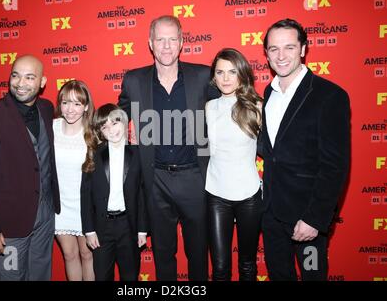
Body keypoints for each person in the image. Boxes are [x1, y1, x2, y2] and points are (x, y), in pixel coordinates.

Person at [118, 15, 220, 281]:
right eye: (160, 40)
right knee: (163, 254)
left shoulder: (202, 76)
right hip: (156, 180)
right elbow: (115, 119)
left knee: (198, 252)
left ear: (182, 42)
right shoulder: (134, 80)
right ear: (150, 43)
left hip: (194, 178)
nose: (166, 46)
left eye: (172, 39)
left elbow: (229, 108)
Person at [259, 18, 350, 281]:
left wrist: (315, 219)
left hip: (307, 218)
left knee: (313, 277)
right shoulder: (269, 93)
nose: (281, 55)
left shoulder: (329, 95)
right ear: (266, 54)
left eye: (289, 47)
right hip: (272, 215)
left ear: (303, 49)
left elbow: (335, 166)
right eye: (273, 49)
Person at [0, 55, 60, 280]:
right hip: (8, 226)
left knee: (40, 277)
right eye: (15, 75)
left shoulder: (47, 109)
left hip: (45, 217)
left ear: (42, 82)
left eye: (30, 77)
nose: (20, 83)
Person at [206, 48, 263, 281]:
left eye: (232, 72)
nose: (226, 78)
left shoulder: (257, 106)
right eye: (220, 72)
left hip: (249, 194)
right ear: (214, 77)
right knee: (220, 268)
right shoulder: (209, 108)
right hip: (216, 193)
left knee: (248, 265)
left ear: (242, 74)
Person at [80, 103, 147, 281]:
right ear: (100, 131)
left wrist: (142, 229)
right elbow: (85, 195)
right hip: (102, 228)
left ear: (124, 122)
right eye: (105, 126)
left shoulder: (137, 153)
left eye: (115, 123)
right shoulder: (94, 154)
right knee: (102, 275)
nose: (111, 129)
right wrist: (89, 230)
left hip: (128, 225)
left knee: (130, 276)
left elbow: (142, 194)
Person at [53, 80, 95, 281]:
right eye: (65, 102)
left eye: (77, 104)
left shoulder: (93, 133)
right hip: (59, 207)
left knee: (87, 255)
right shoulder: (51, 127)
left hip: (85, 206)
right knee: (69, 255)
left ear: (86, 106)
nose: (70, 109)